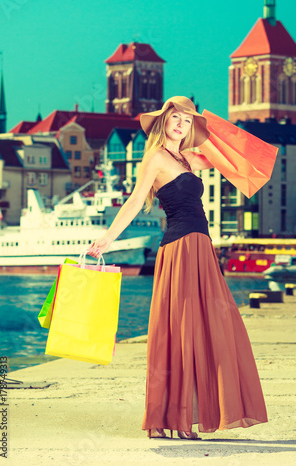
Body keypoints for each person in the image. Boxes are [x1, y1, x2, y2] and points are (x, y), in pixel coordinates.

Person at [88, 96, 268, 440]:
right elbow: (136, 200)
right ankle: (171, 417)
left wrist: (203, 123)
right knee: (183, 331)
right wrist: (108, 239)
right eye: (175, 118)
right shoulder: (155, 158)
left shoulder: (185, 158)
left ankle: (179, 416)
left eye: (186, 121)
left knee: (211, 324)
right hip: (181, 247)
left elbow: (219, 155)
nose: (180, 125)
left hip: (201, 245)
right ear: (163, 121)